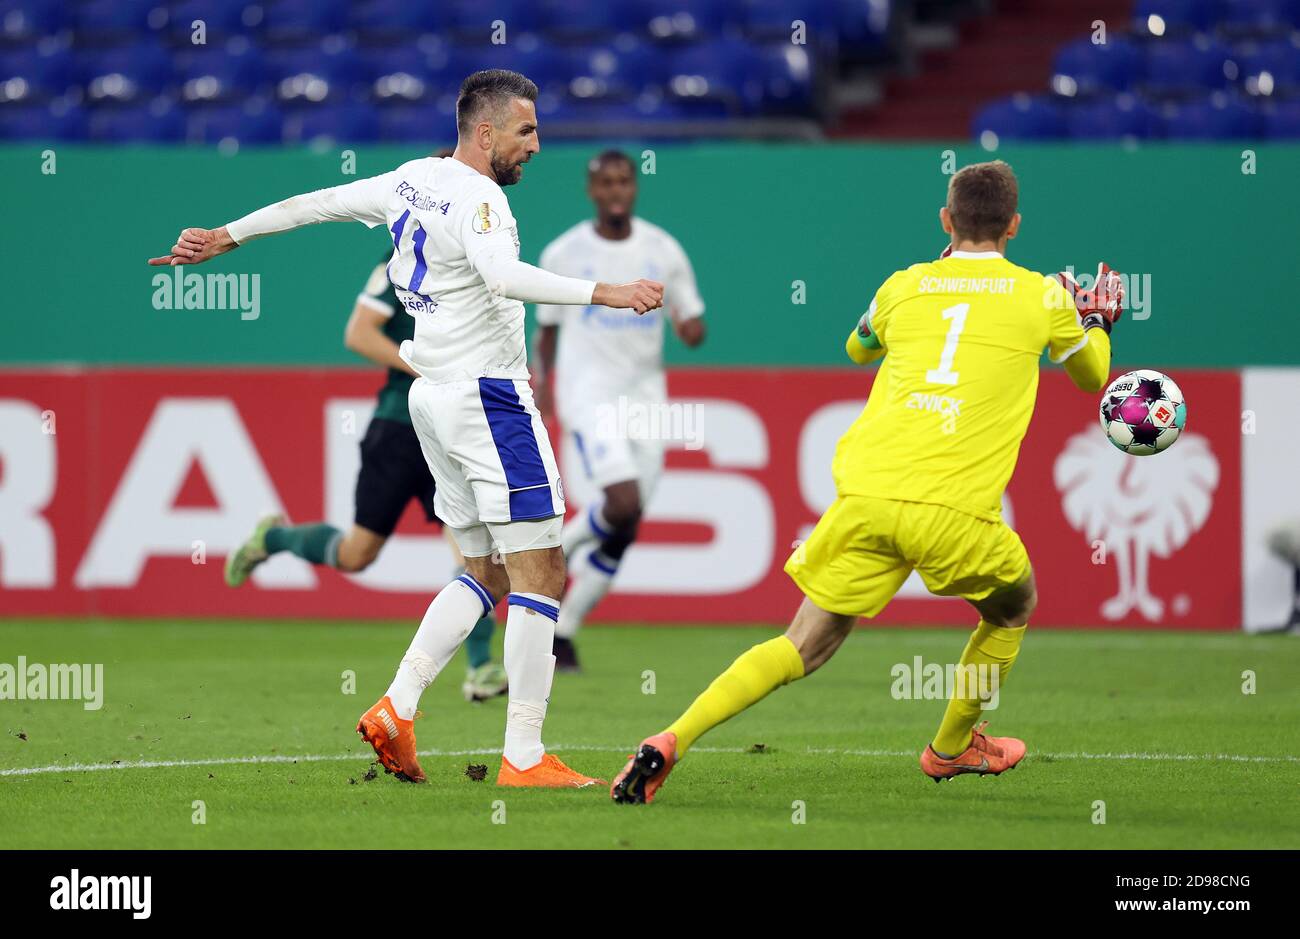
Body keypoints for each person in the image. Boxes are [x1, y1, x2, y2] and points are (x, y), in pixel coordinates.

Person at [149, 69, 664, 787]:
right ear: (485, 134)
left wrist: (227, 236)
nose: (537, 145)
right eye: (526, 131)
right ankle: (523, 754)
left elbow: (316, 203)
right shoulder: (482, 199)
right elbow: (504, 277)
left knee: (483, 568)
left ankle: (398, 704)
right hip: (490, 400)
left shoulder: (408, 180)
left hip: (433, 400)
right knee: (542, 566)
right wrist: (605, 291)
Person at [610, 160, 1124, 803]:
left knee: (801, 644)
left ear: (946, 221)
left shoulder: (903, 286)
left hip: (866, 497)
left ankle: (671, 737)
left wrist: (928, 293)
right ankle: (951, 746)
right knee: (1013, 607)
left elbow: (856, 349)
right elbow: (1092, 377)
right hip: (954, 512)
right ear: (1015, 225)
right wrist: (1098, 320)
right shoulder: (1044, 295)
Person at [223, 209, 507, 701]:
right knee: (357, 555)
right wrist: (427, 369)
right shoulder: (401, 261)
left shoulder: (484, 263)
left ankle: (481, 668)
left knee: (475, 550)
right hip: (400, 426)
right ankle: (275, 538)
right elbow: (359, 332)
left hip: (457, 424)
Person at [532, 149, 705, 671]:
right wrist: (543, 381)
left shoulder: (662, 249)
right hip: (589, 393)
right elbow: (547, 330)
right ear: (591, 190)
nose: (615, 191)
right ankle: (530, 567)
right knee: (622, 503)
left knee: (627, 524)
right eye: (605, 182)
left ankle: (563, 629)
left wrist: (687, 327)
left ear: (634, 187)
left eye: (623, 182)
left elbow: (693, 321)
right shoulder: (564, 252)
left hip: (646, 397)